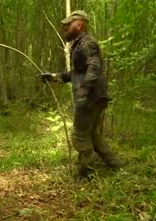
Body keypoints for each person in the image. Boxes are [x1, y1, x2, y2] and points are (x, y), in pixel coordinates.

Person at [39, 10, 123, 181]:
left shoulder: (86, 43)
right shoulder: (79, 44)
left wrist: (83, 92)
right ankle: (115, 164)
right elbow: (76, 74)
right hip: (94, 97)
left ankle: (87, 173)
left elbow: (94, 68)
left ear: (79, 24)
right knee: (92, 134)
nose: (65, 29)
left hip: (90, 98)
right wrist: (54, 77)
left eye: (68, 25)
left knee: (79, 135)